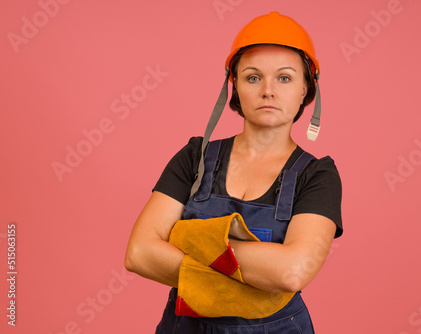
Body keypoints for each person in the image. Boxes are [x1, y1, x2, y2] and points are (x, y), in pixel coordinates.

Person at [125, 12, 343, 333]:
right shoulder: (194, 157)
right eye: (253, 77)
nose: (268, 90)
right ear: (235, 86)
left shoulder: (318, 175)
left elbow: (293, 271)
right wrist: (258, 272)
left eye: (284, 78)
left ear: (305, 90)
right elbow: (140, 253)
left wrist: (190, 240)